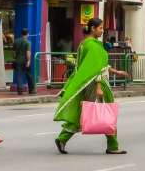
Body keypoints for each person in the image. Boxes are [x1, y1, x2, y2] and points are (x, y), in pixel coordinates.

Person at [53, 18, 129, 155]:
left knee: (83, 112)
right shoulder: (93, 46)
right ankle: (113, 146)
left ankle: (62, 138)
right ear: (92, 28)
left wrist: (116, 72)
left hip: (86, 83)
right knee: (108, 113)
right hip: (97, 84)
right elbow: (96, 69)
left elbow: (92, 66)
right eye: (100, 28)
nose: (102, 31)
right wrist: (99, 87)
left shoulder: (84, 44)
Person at [13, 28, 35, 95]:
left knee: (19, 75)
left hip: (18, 60)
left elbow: (13, 52)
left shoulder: (16, 41)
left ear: (21, 33)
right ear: (27, 34)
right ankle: (31, 90)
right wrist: (28, 61)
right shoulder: (28, 42)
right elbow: (28, 52)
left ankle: (20, 90)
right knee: (29, 75)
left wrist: (15, 58)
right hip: (25, 61)